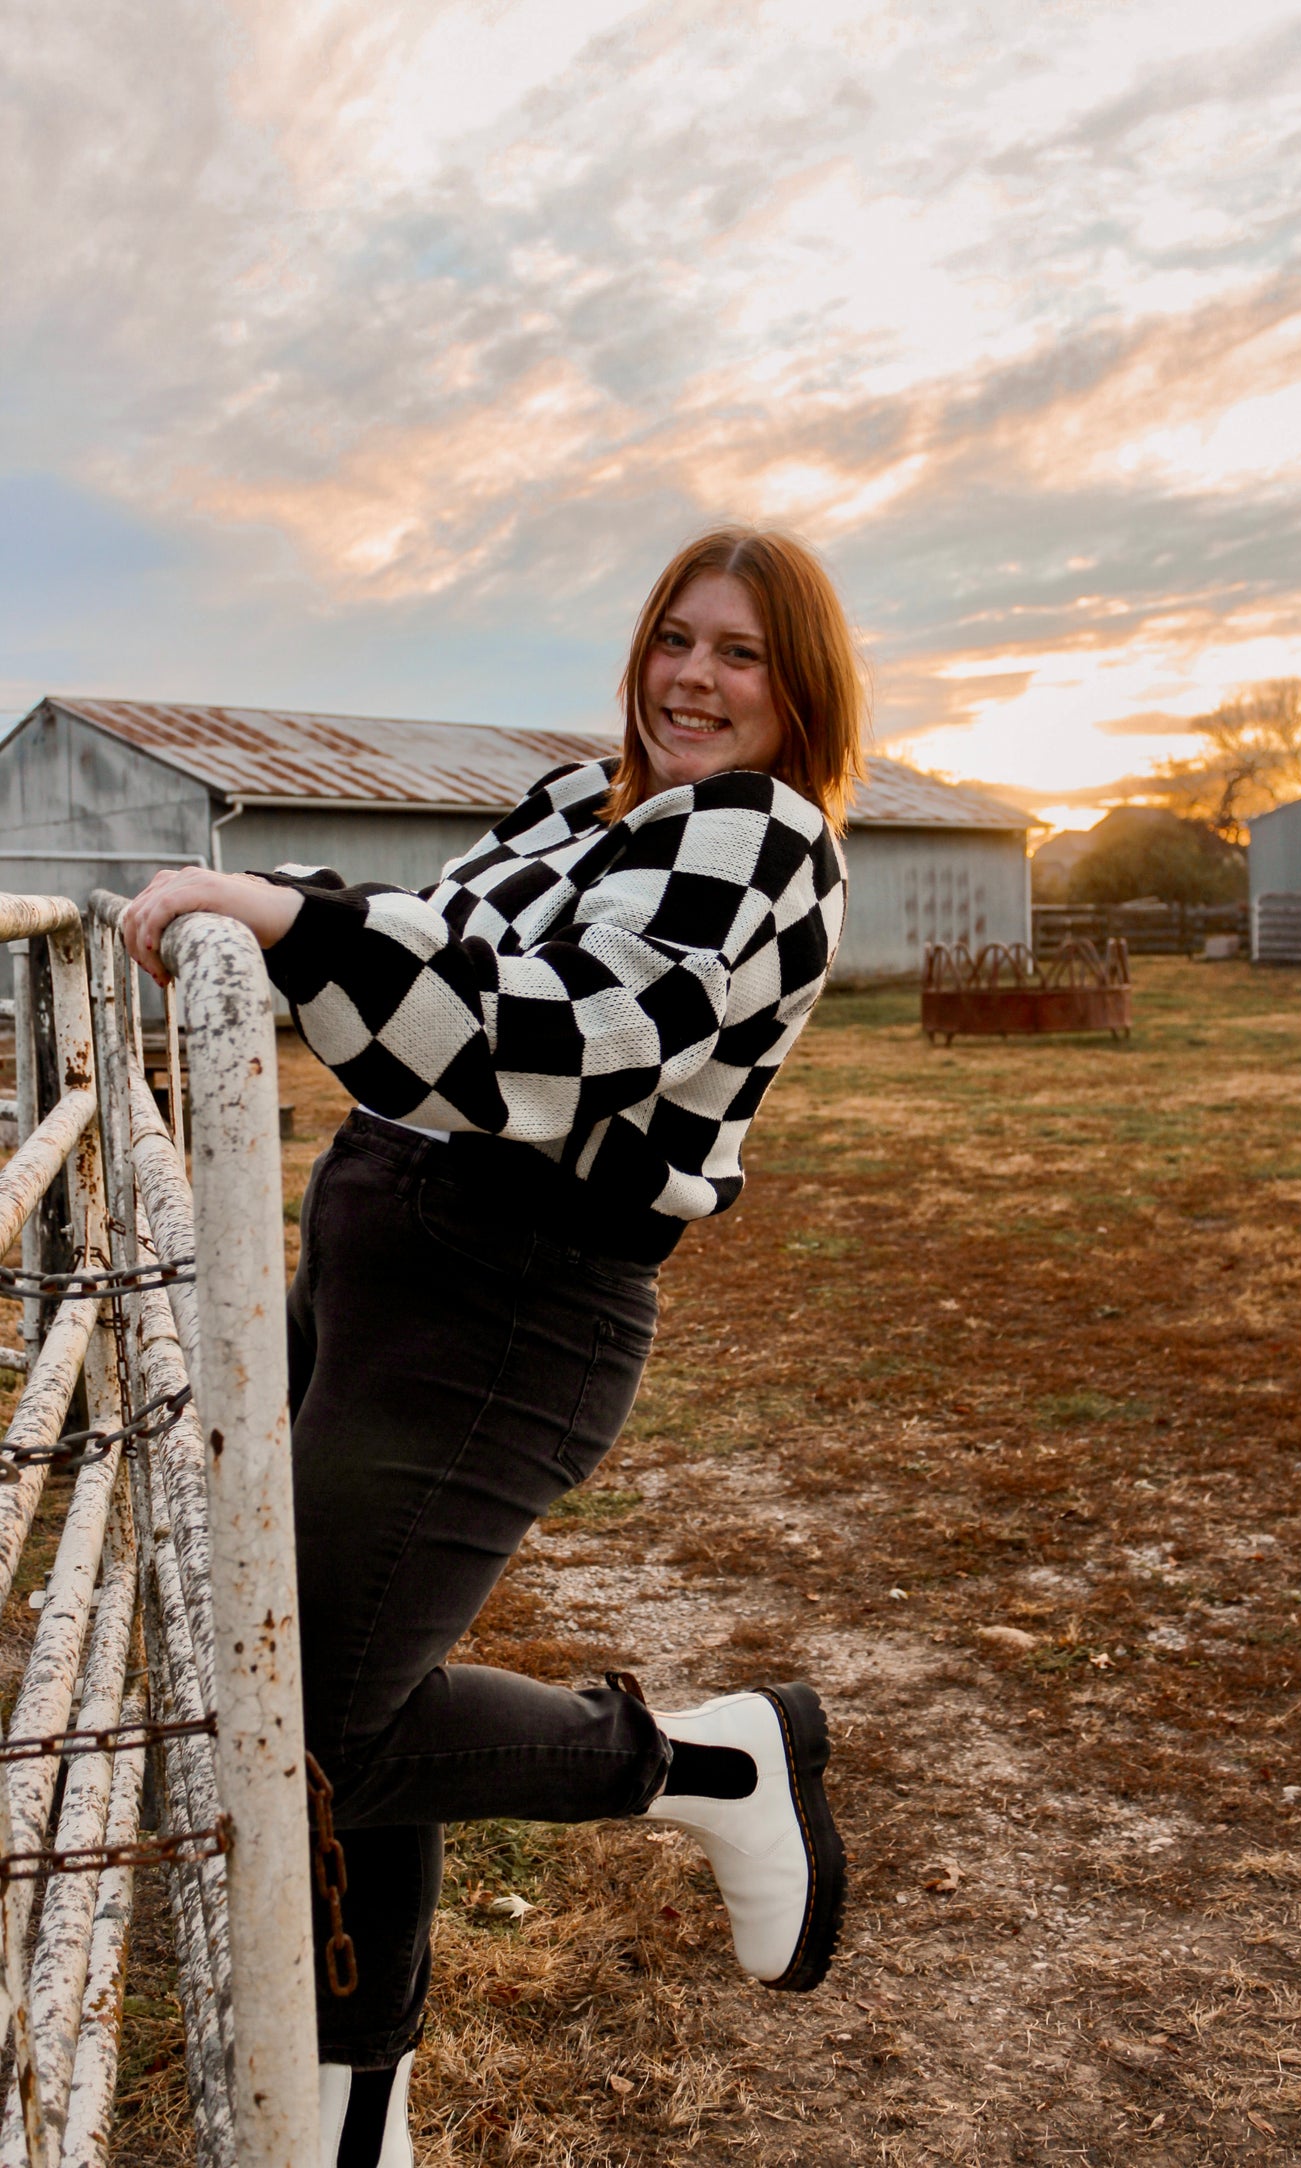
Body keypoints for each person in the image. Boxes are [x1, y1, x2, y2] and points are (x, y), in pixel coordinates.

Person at [122, 526, 863, 2168]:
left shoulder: (763, 844)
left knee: (306, 1722)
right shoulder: (578, 803)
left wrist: (285, 930)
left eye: (740, 654)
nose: (693, 677)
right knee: (320, 1684)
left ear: (798, 687)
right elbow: (430, 932)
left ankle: (710, 1768)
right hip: (388, 1246)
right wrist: (300, 916)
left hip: (507, 1299)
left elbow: (542, 1038)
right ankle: (350, 2112)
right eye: (677, 636)